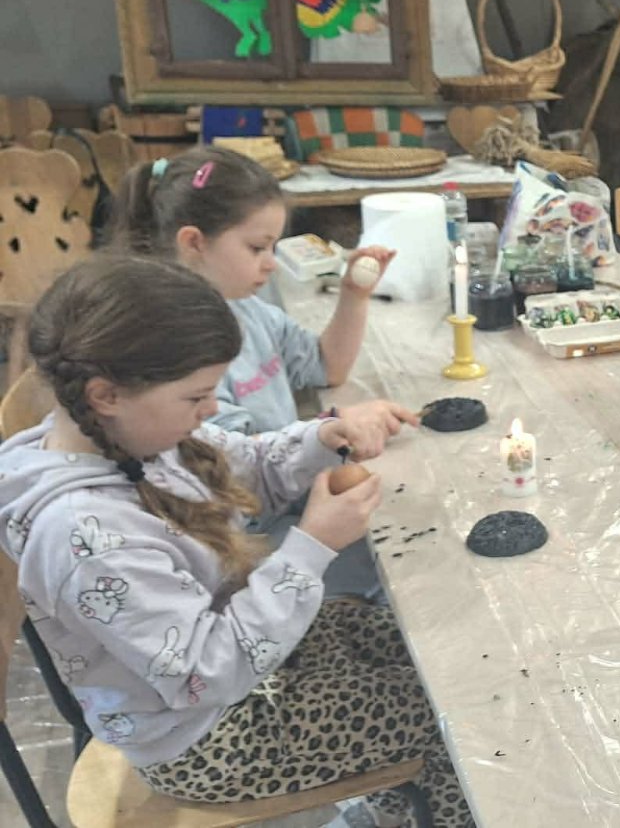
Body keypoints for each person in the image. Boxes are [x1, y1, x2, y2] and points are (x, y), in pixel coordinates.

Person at [0, 258, 474, 825]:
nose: (212, 410)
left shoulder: (140, 435)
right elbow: (208, 671)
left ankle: (394, 810)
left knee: (427, 652)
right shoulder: (87, 538)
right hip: (207, 739)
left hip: (236, 664)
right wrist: (312, 546)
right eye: (197, 397)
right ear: (105, 395)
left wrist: (323, 437)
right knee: (452, 716)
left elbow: (247, 468)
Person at [111, 148, 414, 599]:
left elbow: (326, 366)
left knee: (405, 524)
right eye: (257, 247)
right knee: (402, 572)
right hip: (245, 543)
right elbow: (223, 464)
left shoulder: (248, 310)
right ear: (194, 242)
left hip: (280, 494)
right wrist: (331, 425)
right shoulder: (173, 354)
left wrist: (353, 294)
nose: (271, 262)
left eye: (273, 246)